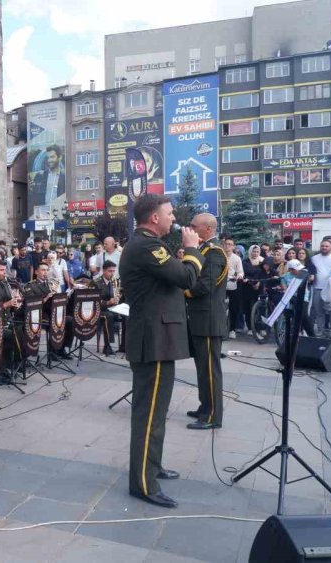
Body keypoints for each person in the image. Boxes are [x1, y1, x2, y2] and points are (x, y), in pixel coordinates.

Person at [118, 193, 202, 509]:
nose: (172, 218)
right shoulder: (146, 246)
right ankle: (142, 483)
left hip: (157, 339)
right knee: (149, 415)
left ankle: (151, 466)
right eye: (168, 213)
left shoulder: (150, 245)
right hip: (152, 341)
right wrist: (193, 249)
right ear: (154, 217)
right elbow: (185, 276)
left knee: (156, 413)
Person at [183, 213, 227, 431]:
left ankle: (212, 416)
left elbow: (205, 286)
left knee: (210, 369)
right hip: (200, 319)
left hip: (209, 320)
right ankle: (204, 407)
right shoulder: (203, 251)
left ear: (208, 229)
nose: (190, 230)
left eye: (194, 226)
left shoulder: (215, 253)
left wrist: (182, 290)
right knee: (202, 368)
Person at [93, 260, 122, 356]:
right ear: (103, 271)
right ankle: (107, 345)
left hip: (111, 309)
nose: (112, 273)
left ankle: (124, 346)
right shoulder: (96, 283)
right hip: (98, 310)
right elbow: (94, 302)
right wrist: (108, 302)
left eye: (114, 271)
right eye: (110, 271)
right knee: (108, 316)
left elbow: (116, 296)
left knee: (127, 316)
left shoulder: (114, 282)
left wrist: (118, 298)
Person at [223, 238, 244, 338]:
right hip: (220, 285)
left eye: (230, 244)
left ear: (233, 246)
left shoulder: (237, 258)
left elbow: (240, 271)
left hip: (232, 284)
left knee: (233, 308)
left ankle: (232, 329)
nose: (227, 246)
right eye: (226, 244)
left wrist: (239, 276)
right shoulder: (220, 256)